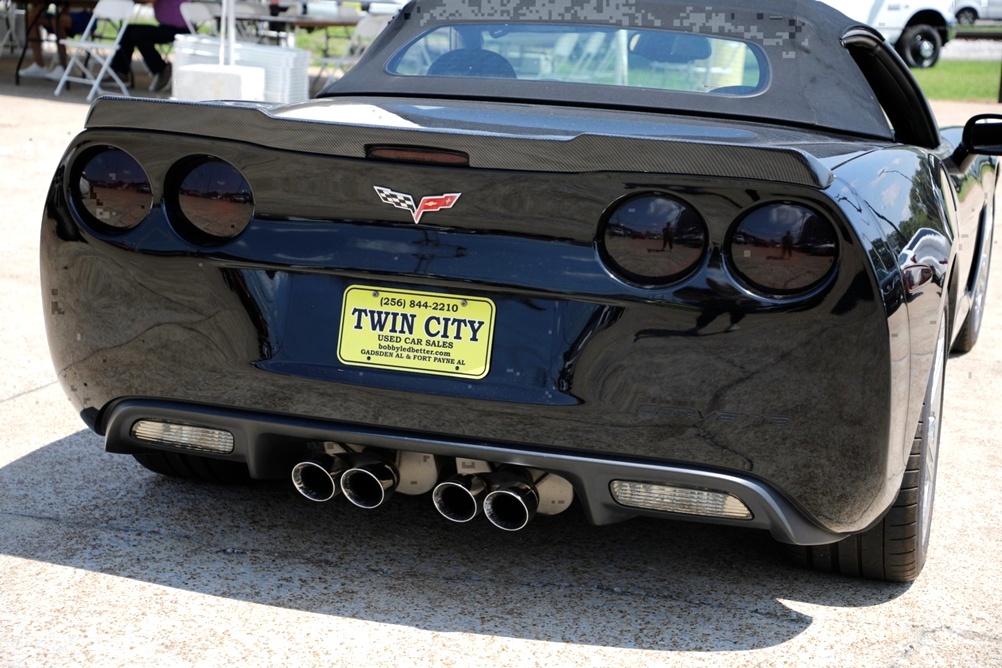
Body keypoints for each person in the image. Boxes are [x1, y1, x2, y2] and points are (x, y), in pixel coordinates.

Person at [111, 0, 191, 92]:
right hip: (166, 27)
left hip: (181, 30)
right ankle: (120, 71)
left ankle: (161, 69)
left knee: (138, 33)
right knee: (127, 30)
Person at [17, 3, 93, 81]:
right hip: (60, 13)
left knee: (57, 20)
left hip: (84, 16)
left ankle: (63, 66)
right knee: (32, 17)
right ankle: (39, 64)